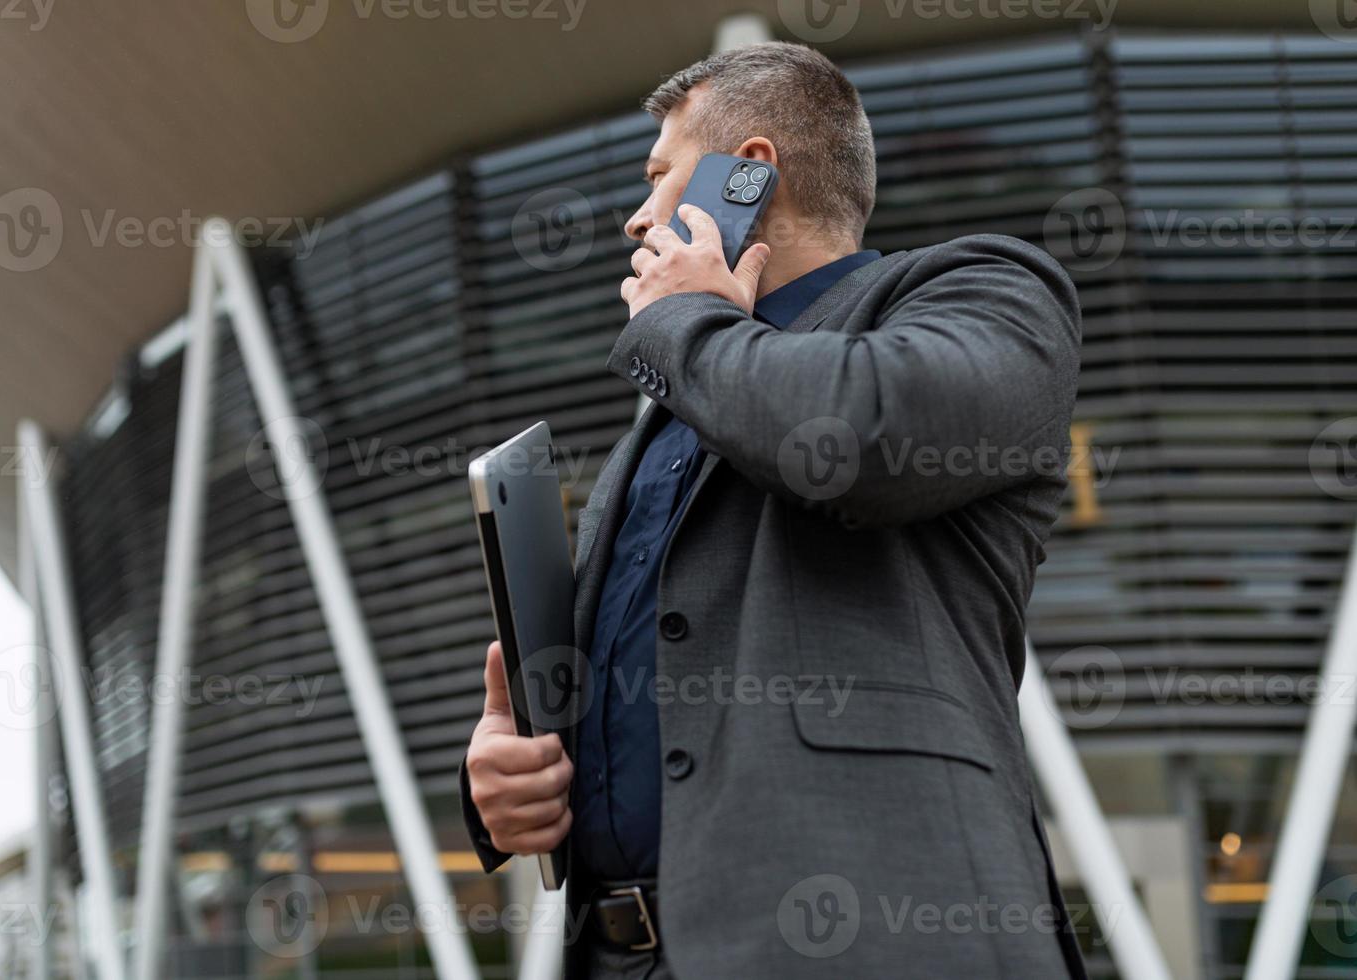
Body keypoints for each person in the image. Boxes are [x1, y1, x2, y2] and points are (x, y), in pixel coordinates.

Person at [460, 41, 1088, 980]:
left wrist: (681, 322)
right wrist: (509, 788)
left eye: (659, 177)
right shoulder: (668, 418)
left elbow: (858, 439)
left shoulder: (985, 291)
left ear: (746, 175)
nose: (636, 219)